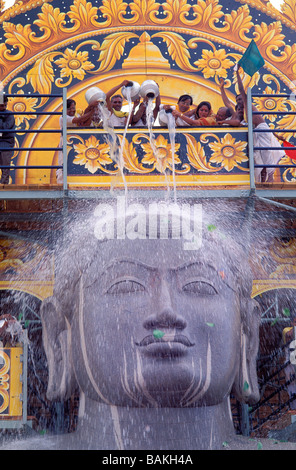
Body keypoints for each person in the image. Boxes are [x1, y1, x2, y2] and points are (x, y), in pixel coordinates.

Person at [235, 66, 285, 182]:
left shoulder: (248, 104)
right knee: (259, 156)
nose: (239, 101)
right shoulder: (244, 111)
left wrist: (237, 73)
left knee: (265, 152)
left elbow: (242, 89)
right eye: (237, 101)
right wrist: (277, 136)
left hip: (261, 129)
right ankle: (264, 179)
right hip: (258, 131)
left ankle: (271, 177)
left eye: (240, 99)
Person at [56, 98, 98, 184]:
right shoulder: (63, 118)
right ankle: (61, 184)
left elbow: (84, 121)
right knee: (63, 164)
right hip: (66, 145)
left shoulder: (75, 115)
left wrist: (91, 107)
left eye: (73, 108)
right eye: (69, 108)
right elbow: (80, 120)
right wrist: (92, 111)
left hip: (75, 146)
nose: (72, 110)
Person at [0, 95, 15, 185]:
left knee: (5, 167)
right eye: (1, 105)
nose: (3, 107)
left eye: (4, 105)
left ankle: (4, 186)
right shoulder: (8, 115)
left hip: (6, 142)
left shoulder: (10, 114)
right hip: (5, 141)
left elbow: (6, 128)